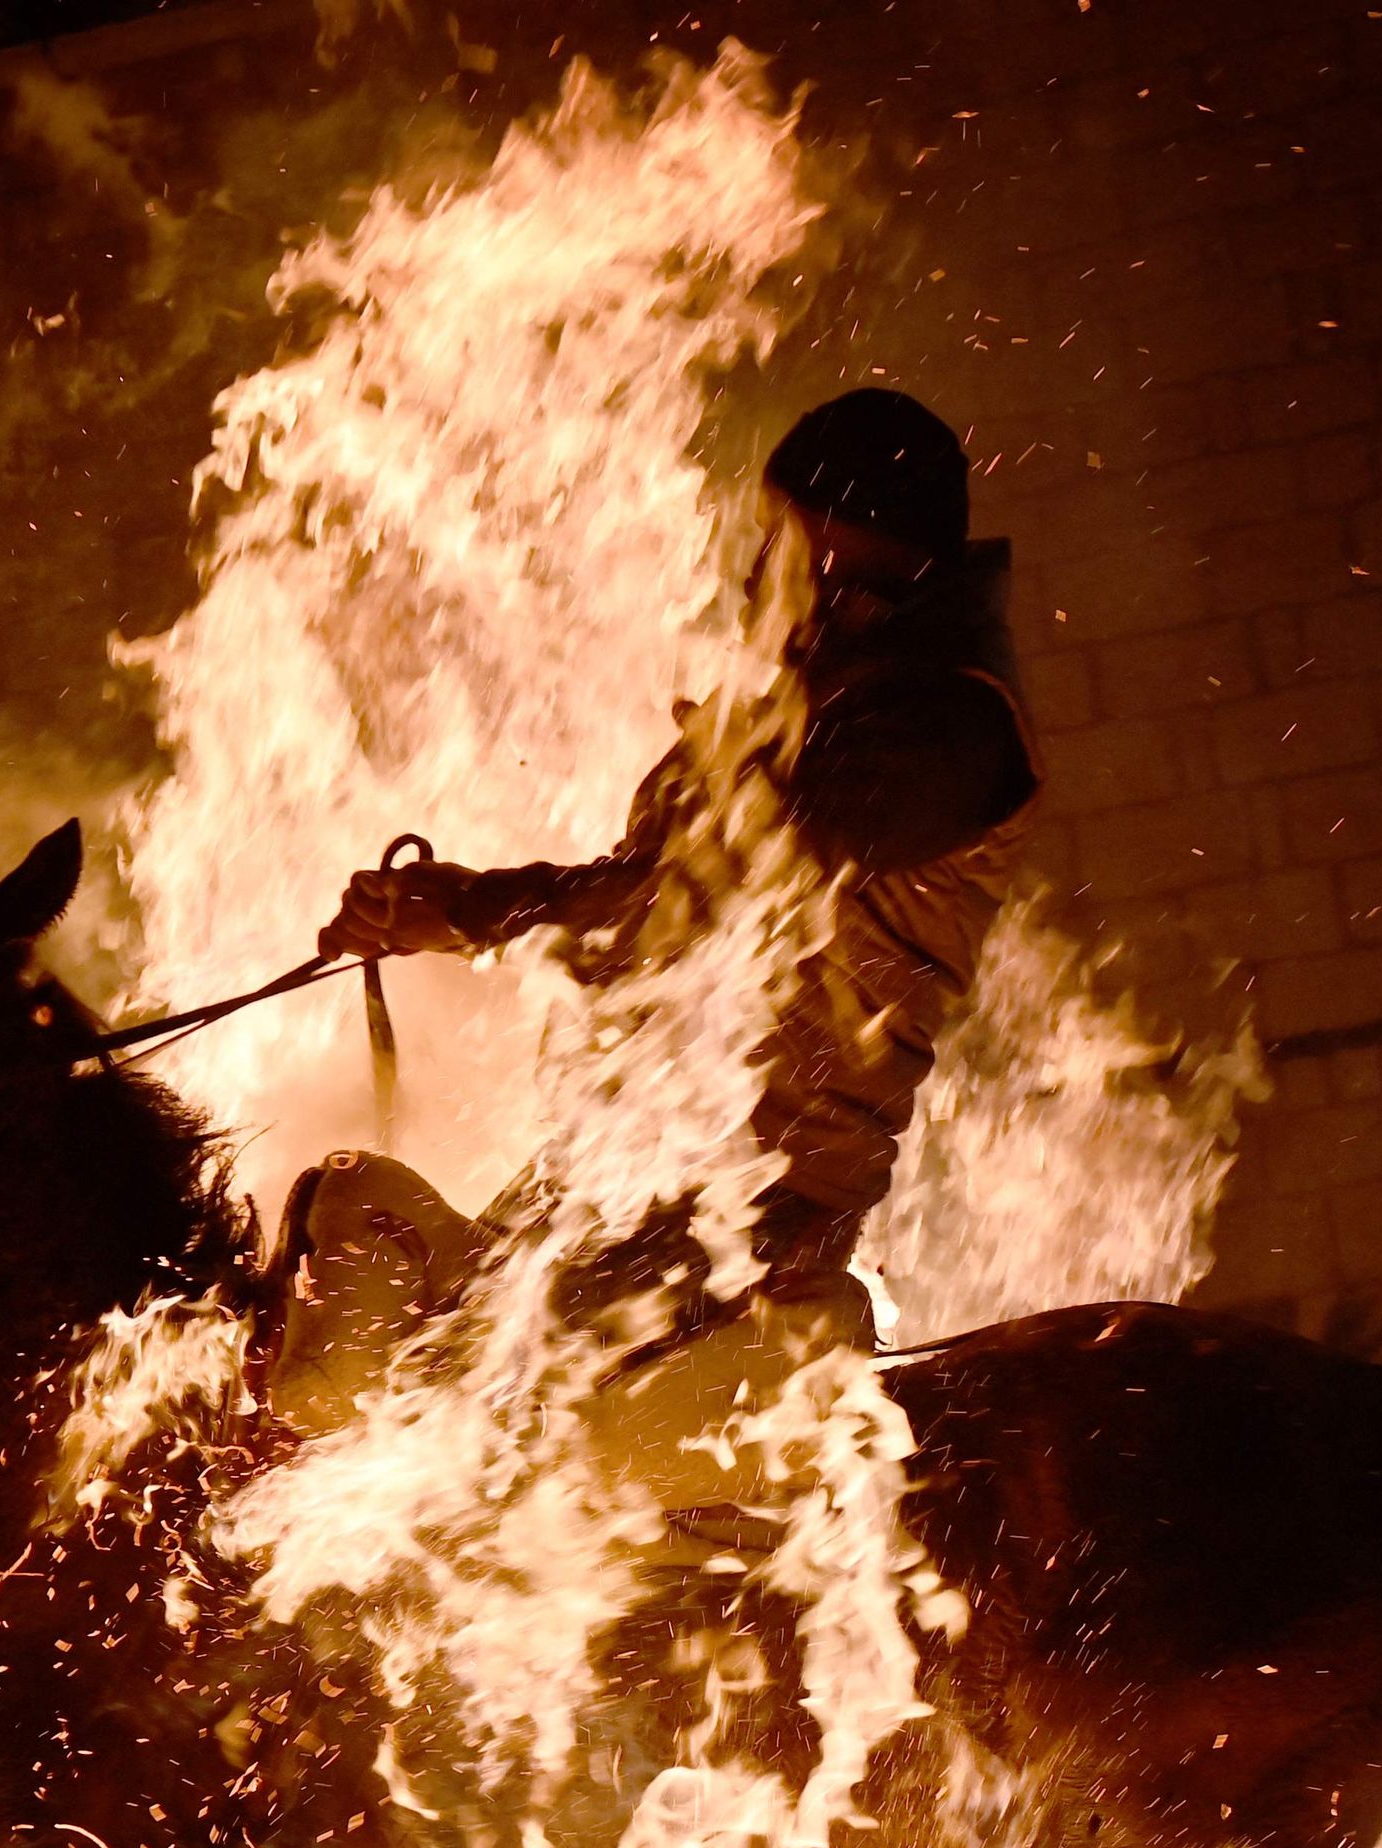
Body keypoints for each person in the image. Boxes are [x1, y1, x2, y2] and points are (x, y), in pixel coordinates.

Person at [316, 388, 1041, 1507]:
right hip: (648, 1169)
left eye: (786, 542)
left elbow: (697, 904)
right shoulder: (832, 696)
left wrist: (462, 912)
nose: (762, 574)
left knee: (464, 1447)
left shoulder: (941, 730)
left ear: (845, 553)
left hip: (757, 1192)